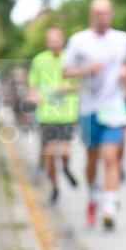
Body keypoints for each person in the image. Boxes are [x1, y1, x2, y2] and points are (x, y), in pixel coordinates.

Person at [62, 0, 126, 231]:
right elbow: (66, 71)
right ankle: (93, 194)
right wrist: (86, 69)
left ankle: (109, 206)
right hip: (88, 108)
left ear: (111, 14)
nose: (102, 17)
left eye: (106, 13)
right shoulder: (79, 40)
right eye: (97, 13)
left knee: (110, 157)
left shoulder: (122, 39)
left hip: (113, 106)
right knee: (92, 158)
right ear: (91, 15)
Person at [28, 26, 80, 204]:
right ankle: (55, 186)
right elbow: (32, 84)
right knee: (50, 154)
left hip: (67, 113)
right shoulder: (39, 60)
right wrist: (34, 96)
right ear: (47, 42)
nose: (54, 43)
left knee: (64, 152)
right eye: (51, 40)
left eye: (57, 39)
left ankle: (65, 168)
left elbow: (81, 84)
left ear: (63, 40)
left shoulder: (71, 58)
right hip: (47, 114)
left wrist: (65, 88)